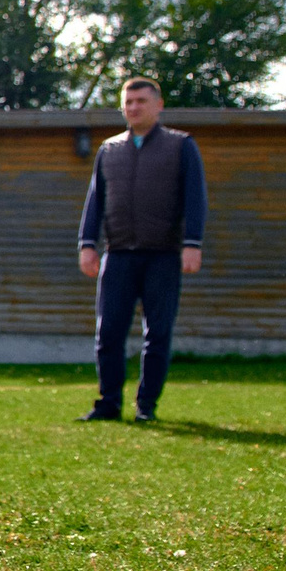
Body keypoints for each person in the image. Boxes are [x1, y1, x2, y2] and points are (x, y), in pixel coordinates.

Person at [76, 77, 207, 422]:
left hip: (162, 254)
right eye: (128, 101)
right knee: (108, 334)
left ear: (158, 105)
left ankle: (146, 406)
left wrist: (192, 243)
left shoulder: (181, 146)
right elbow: (95, 201)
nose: (133, 107)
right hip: (117, 254)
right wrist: (87, 244)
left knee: (158, 333)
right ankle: (108, 403)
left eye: (141, 101)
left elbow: (195, 199)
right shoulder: (109, 149)